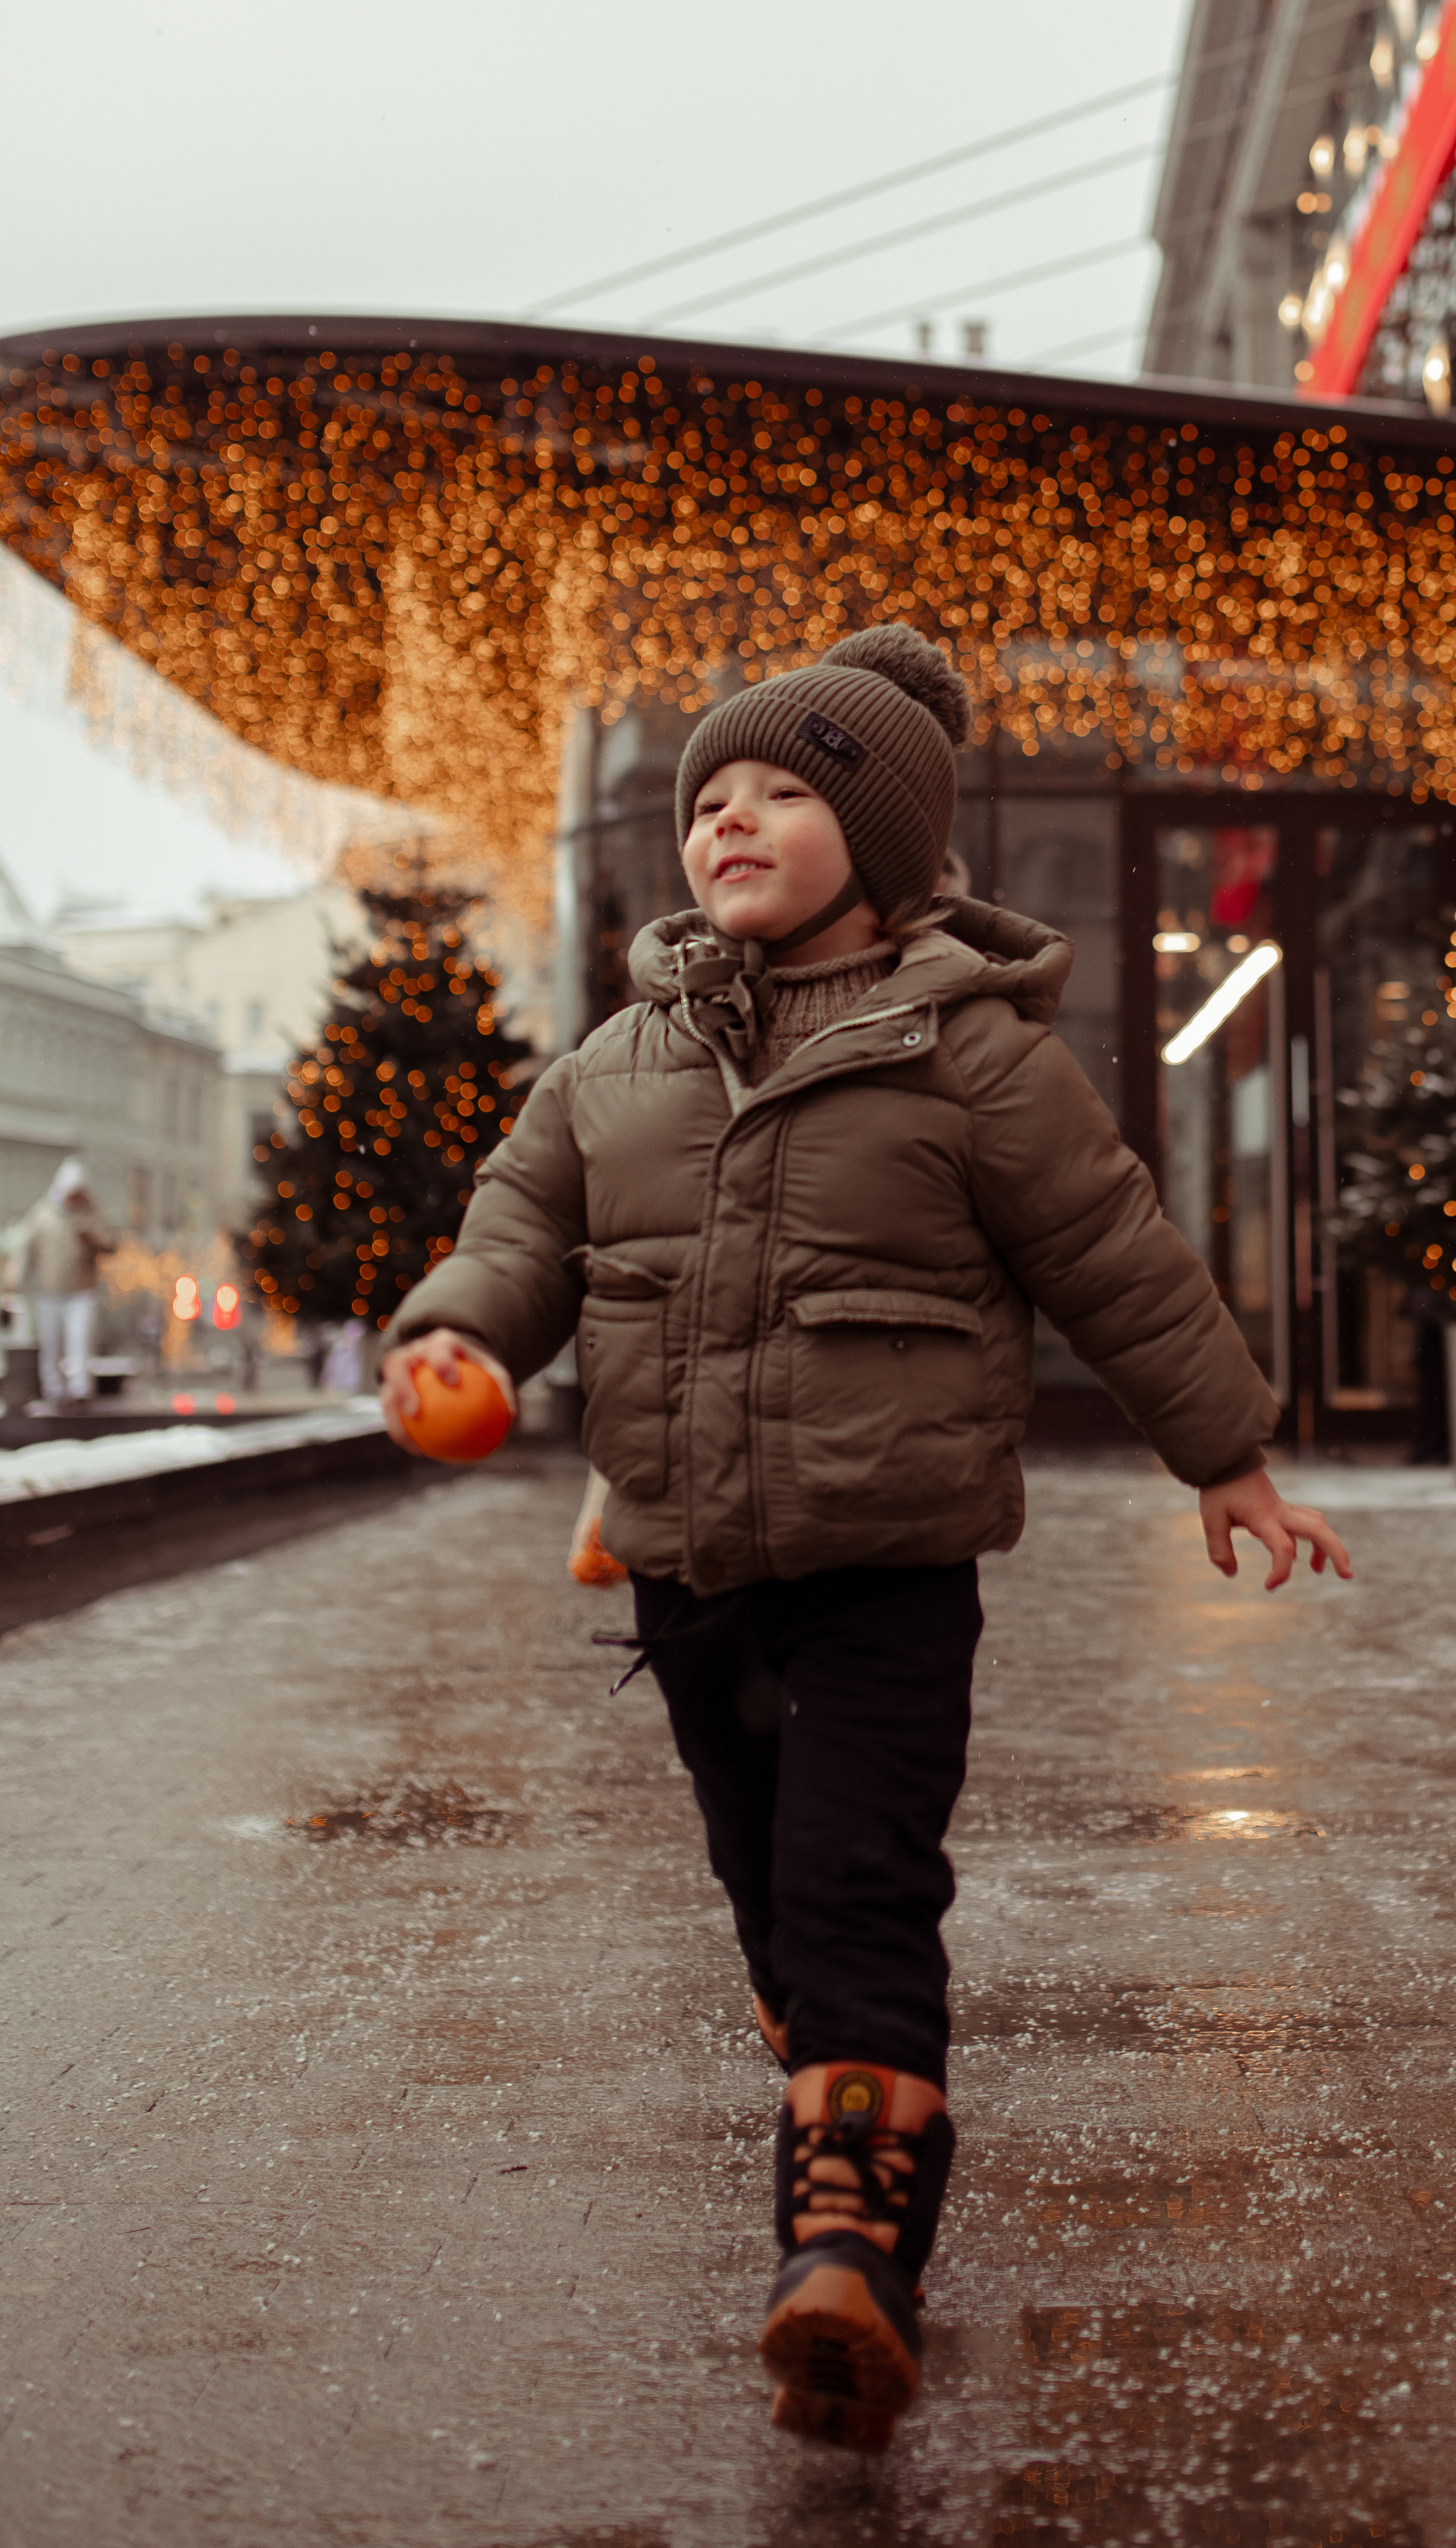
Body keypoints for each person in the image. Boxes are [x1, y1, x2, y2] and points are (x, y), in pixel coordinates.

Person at [378, 626, 1350, 2451]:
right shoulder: (614, 1062)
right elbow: (519, 1226)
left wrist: (1225, 1454)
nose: (728, 818)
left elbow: (1112, 1251)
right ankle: (830, 2062)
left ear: (885, 835)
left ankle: (845, 2254)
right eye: (707, 796)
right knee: (764, 1900)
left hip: (888, 1569)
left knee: (852, 1892)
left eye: (781, 789)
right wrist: (457, 1327)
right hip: (682, 1569)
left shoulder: (970, 1056)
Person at [19, 1158, 115, 1404]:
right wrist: (14, 1284)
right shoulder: (43, 1214)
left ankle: (80, 1391)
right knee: (50, 1346)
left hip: (82, 1291)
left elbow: (111, 1243)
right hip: (49, 1292)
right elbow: (26, 1250)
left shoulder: (92, 1213)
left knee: (80, 1342)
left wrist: (91, 1238)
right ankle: (52, 1391)